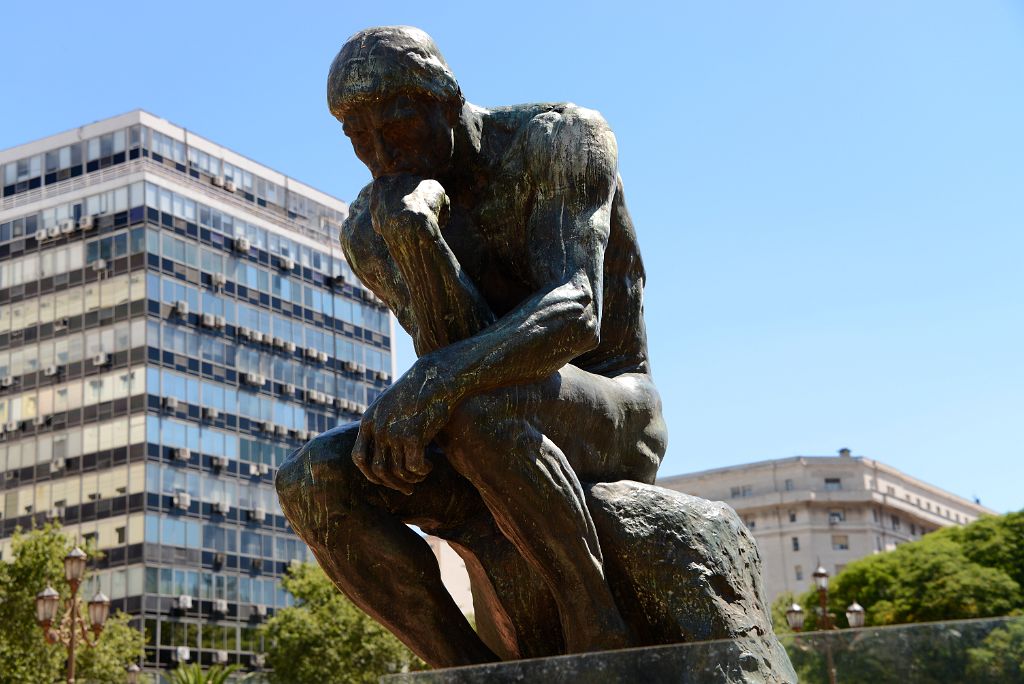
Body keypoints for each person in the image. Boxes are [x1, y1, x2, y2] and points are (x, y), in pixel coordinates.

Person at [276, 25, 667, 668]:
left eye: (395, 130)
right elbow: (449, 344)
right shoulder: (370, 228)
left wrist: (433, 384)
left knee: (476, 403)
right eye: (358, 141)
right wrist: (413, 237)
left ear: (446, 99)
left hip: (613, 411)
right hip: (483, 428)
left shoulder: (559, 139)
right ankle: (467, 670)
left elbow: (577, 312)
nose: (380, 156)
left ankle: (601, 638)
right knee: (312, 479)